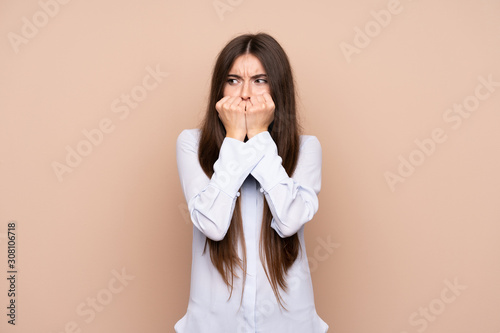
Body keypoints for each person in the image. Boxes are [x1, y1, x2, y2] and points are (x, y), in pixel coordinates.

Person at [175, 32, 328, 333]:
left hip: (289, 325)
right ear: (220, 88)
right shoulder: (190, 145)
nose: (245, 93)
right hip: (212, 326)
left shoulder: (307, 148)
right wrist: (233, 137)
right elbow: (213, 225)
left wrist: (259, 136)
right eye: (233, 80)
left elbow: (289, 221)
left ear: (277, 88)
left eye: (259, 80)